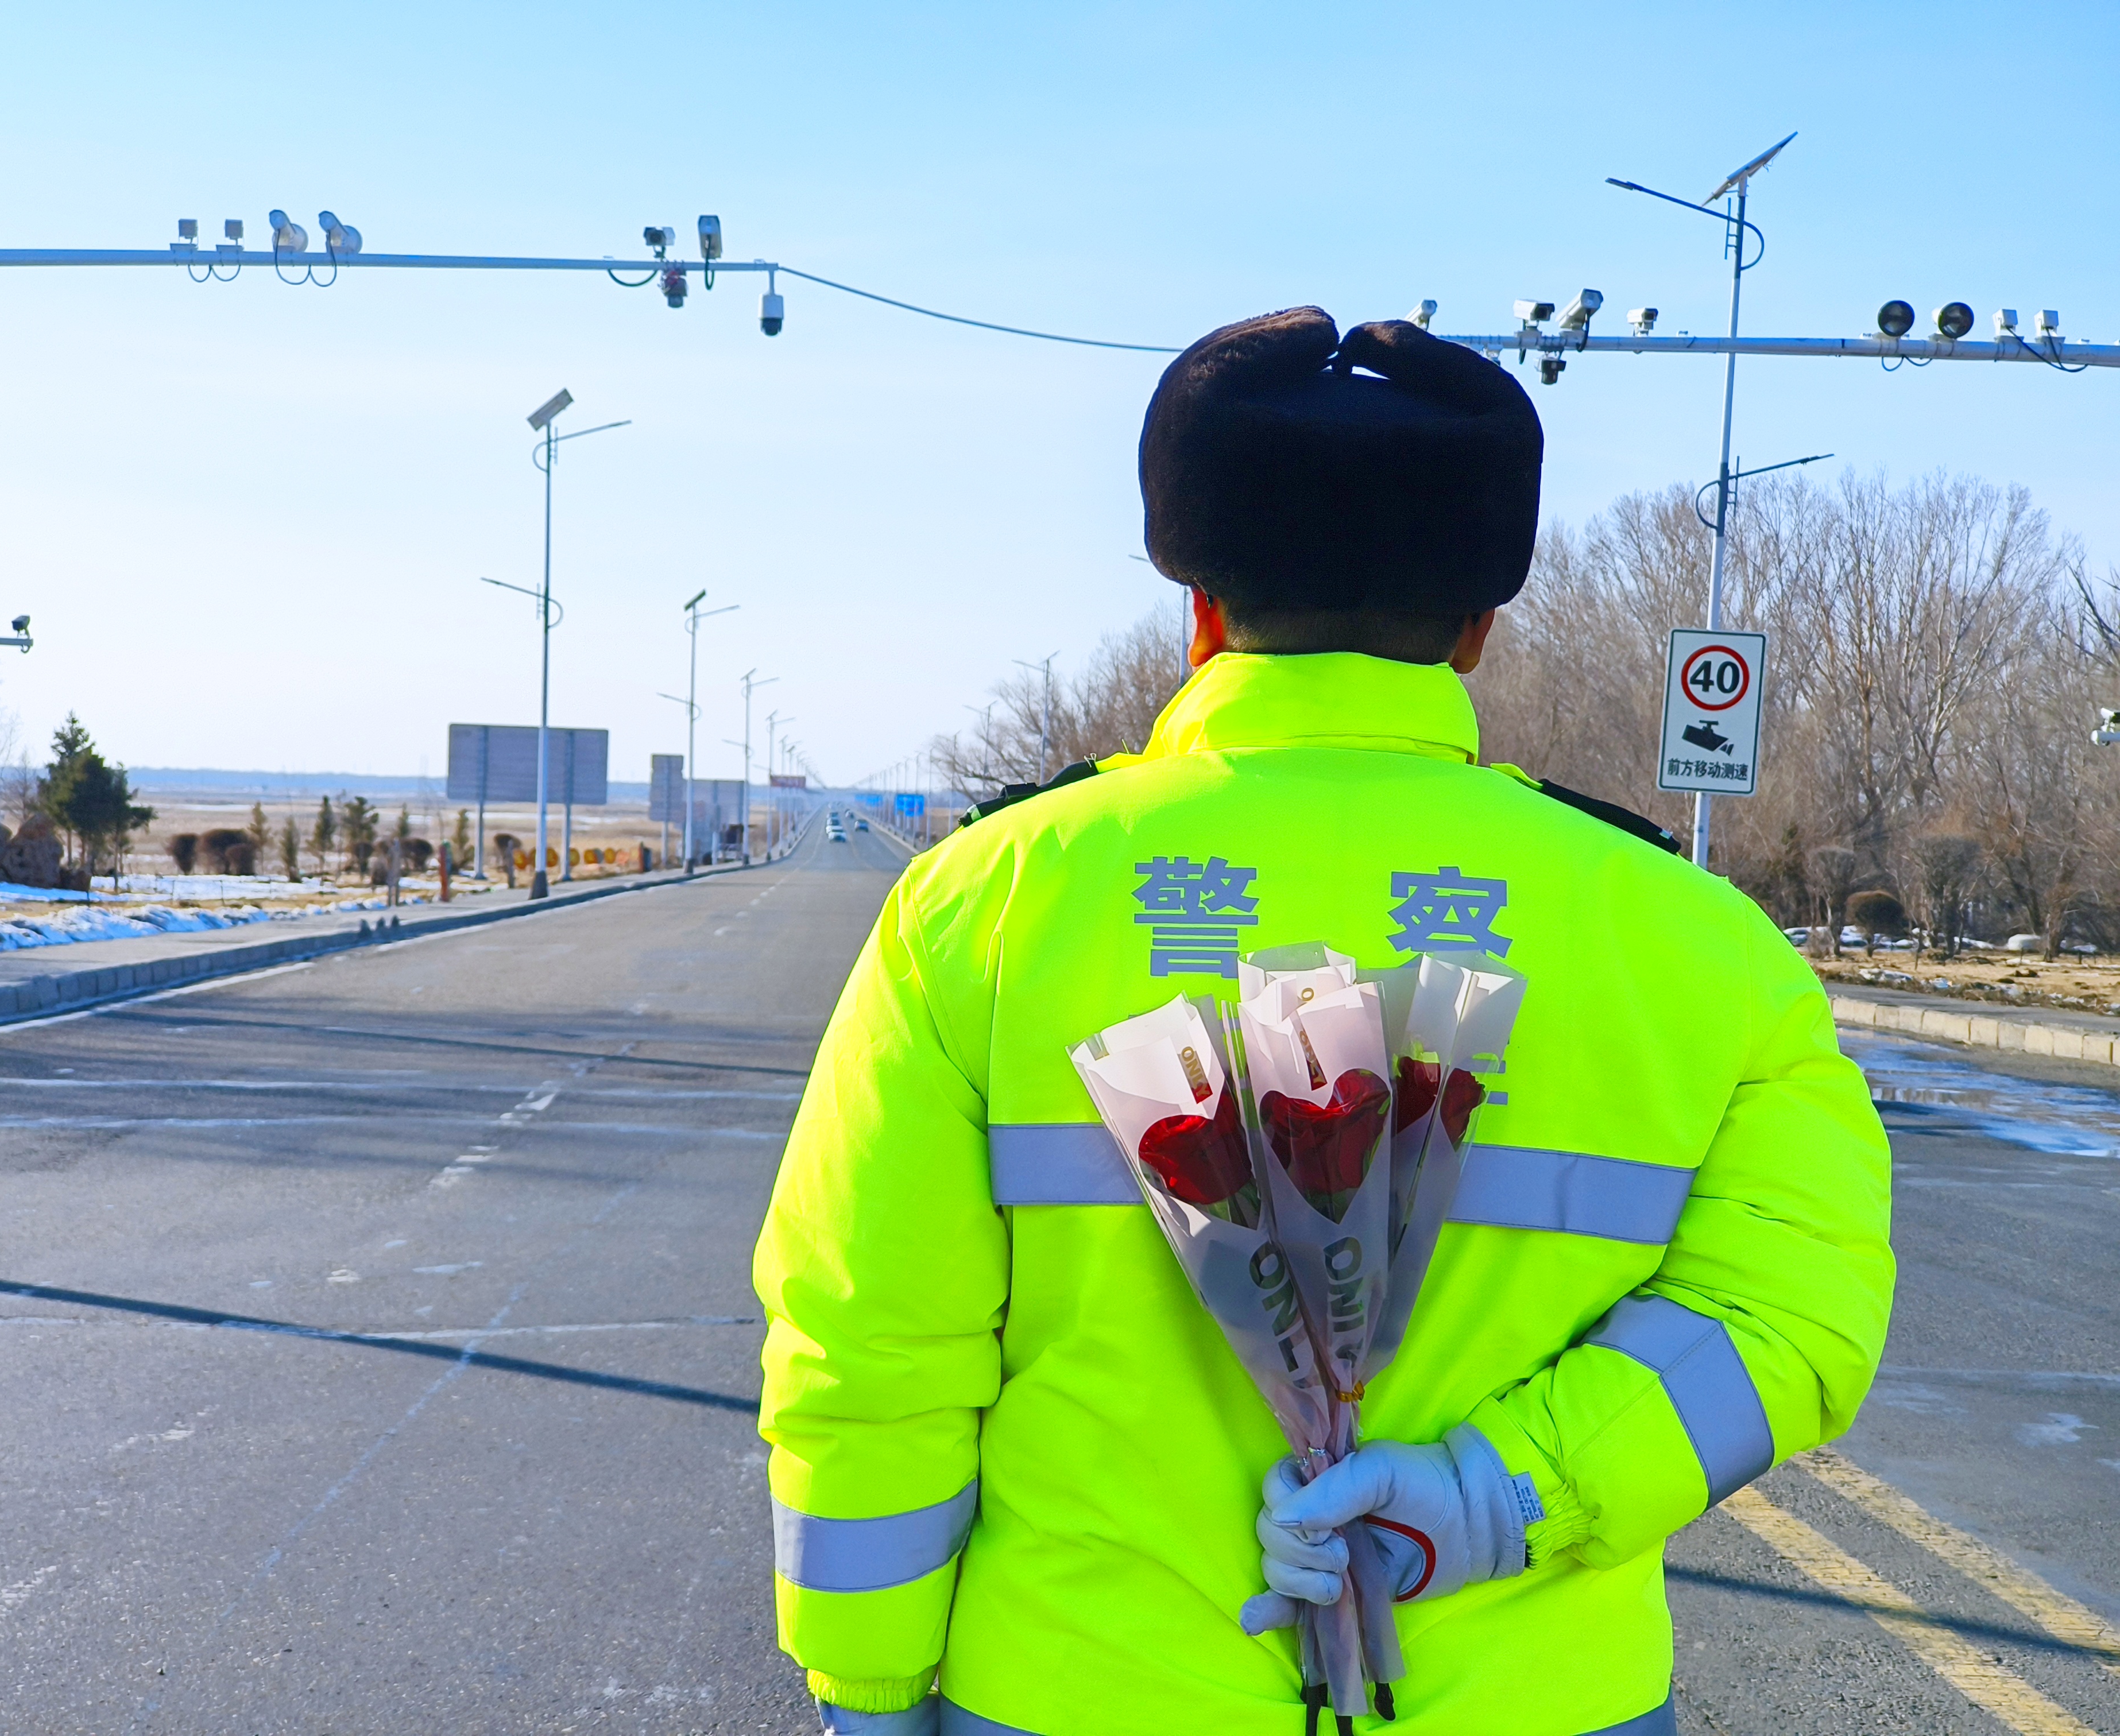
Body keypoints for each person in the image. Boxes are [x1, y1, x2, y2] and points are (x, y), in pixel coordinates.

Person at [753, 308, 1893, 1736]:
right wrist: (1491, 1498)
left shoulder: (983, 904)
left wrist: (871, 1694)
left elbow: (869, 1349)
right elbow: (1792, 1320)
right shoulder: (1702, 940)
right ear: (1477, 629)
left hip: (1074, 1692)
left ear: (1201, 611)